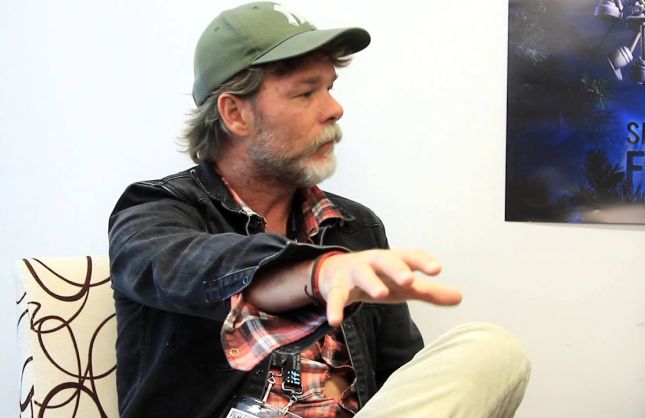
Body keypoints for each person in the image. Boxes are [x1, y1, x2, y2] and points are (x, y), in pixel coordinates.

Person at [108, 2, 530, 417]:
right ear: (235, 113)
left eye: (330, 88)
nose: (334, 109)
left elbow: (400, 381)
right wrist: (315, 273)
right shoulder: (155, 210)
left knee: (490, 349)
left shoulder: (356, 227)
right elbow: (184, 266)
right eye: (306, 92)